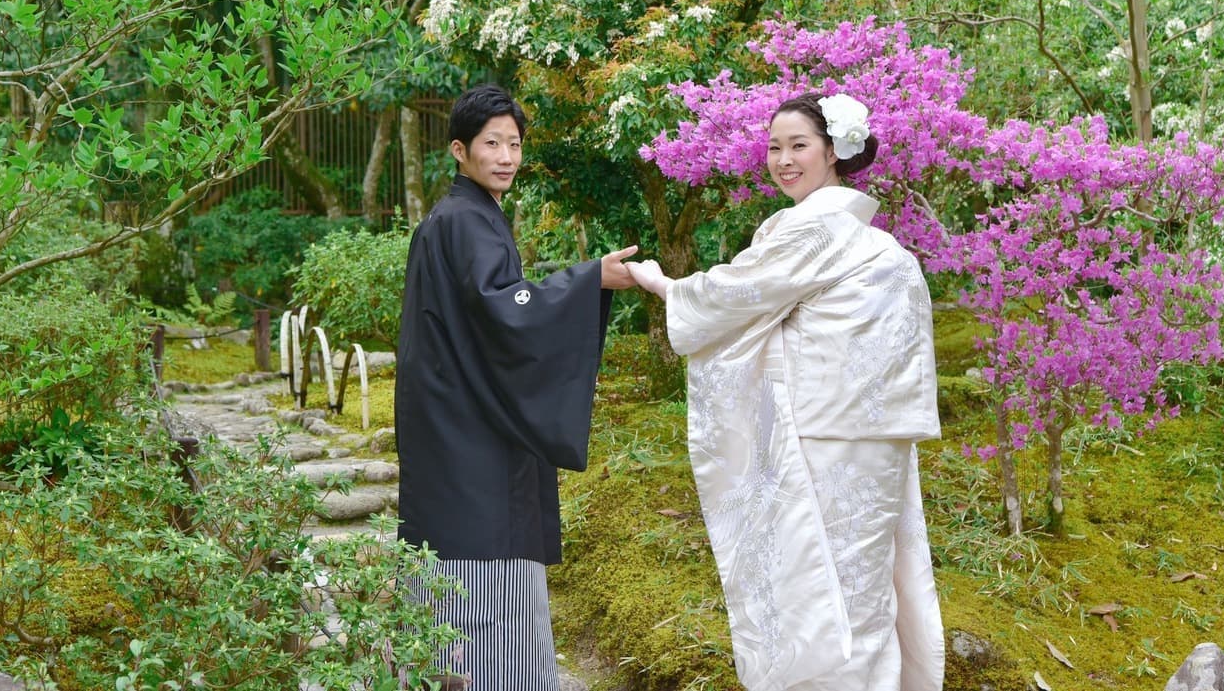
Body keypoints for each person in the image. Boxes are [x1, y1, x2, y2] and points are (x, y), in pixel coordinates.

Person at [627, 92, 945, 691]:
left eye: (799, 145)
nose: (784, 160)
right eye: (774, 147)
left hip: (826, 436)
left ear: (834, 151)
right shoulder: (873, 240)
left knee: (823, 594)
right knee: (866, 589)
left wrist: (664, 285)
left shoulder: (819, 229)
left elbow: (734, 295)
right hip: (877, 440)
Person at [394, 84, 637, 690]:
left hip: (449, 420)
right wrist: (589, 279)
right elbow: (506, 310)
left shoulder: (455, 217)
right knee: (490, 582)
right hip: (472, 434)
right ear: (459, 150)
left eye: (514, 144)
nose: (505, 157)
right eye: (491, 143)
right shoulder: (467, 221)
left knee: (448, 583)